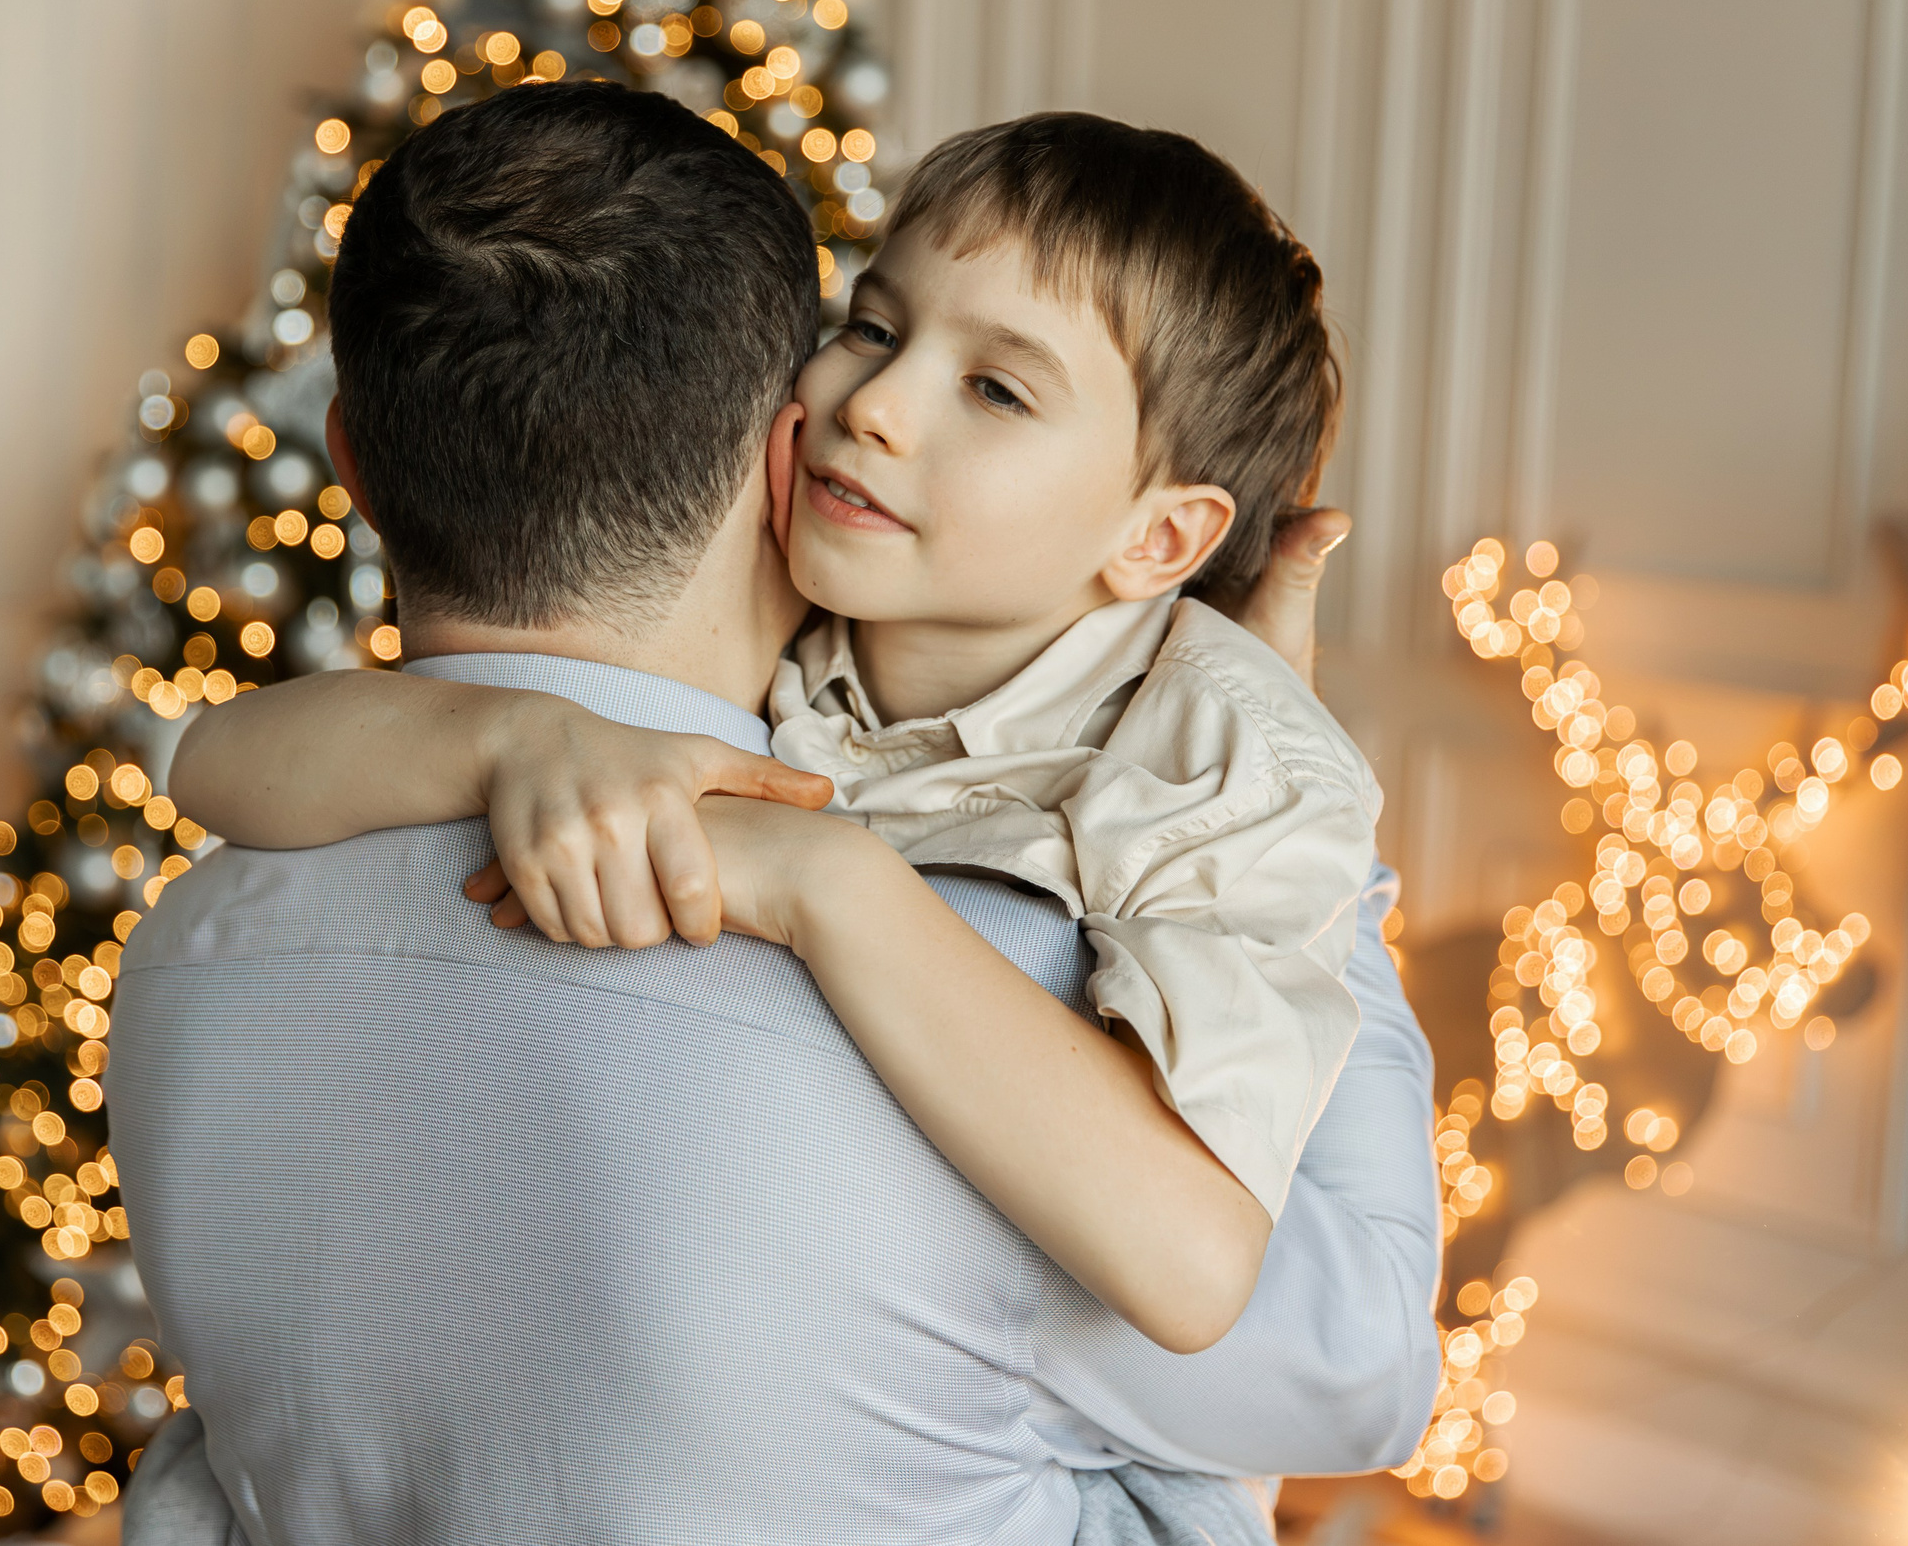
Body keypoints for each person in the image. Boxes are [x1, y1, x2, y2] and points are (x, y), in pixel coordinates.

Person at [106, 83, 1438, 1544]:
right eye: (871, 327)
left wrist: (834, 880)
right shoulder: (823, 688)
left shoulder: (191, 946)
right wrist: (514, 737)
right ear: (772, 449)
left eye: (998, 387)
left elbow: (1216, 1275)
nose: (876, 403)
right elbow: (1361, 1369)